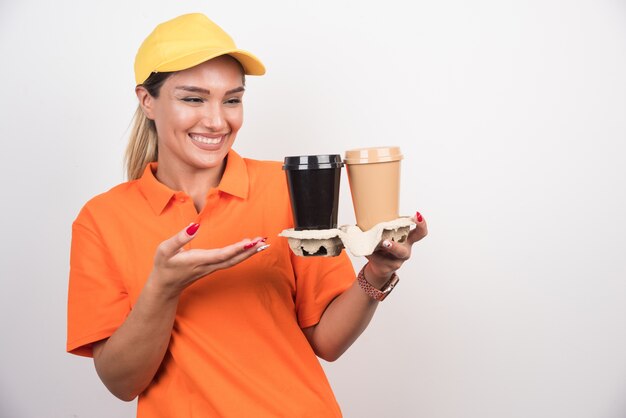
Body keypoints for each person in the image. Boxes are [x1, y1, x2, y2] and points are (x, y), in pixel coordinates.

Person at [66, 12, 427, 417]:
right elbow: (121, 382)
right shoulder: (102, 219)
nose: (218, 120)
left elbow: (327, 342)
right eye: (193, 98)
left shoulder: (285, 186)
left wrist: (376, 274)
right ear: (147, 100)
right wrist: (163, 288)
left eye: (232, 99)